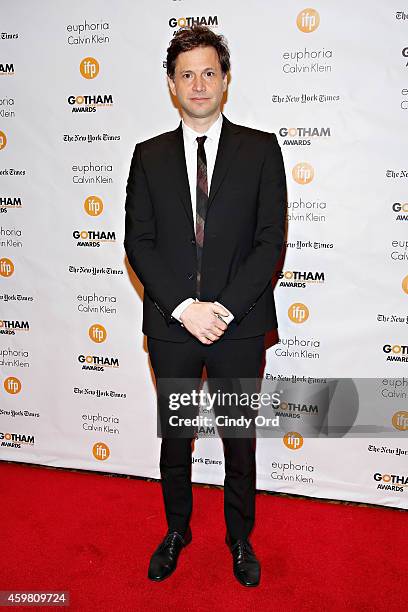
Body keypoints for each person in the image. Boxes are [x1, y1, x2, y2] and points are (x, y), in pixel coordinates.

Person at [124, 25, 287, 587]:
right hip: (173, 327)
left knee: (239, 440)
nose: (198, 84)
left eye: (208, 73)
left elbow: (270, 241)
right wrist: (185, 308)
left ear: (226, 80)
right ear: (172, 85)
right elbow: (138, 242)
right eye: (186, 74)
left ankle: (240, 538)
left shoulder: (261, 149)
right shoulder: (147, 156)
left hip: (238, 328)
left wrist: (223, 310)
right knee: (177, 436)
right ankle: (176, 532)